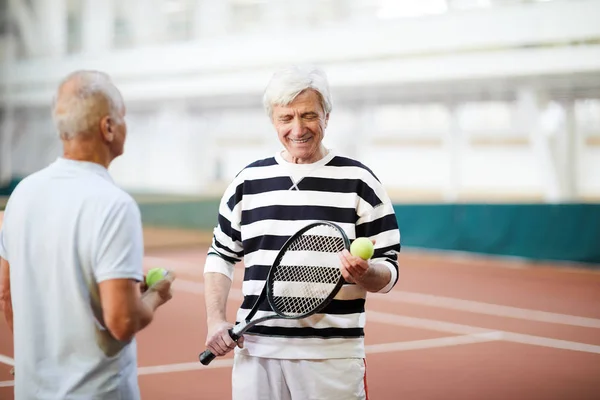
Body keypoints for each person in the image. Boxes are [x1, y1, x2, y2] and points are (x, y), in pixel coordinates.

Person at [203, 65, 401, 400]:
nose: (298, 128)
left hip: (332, 358)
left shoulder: (360, 182)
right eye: (286, 118)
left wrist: (366, 274)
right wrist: (215, 320)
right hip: (256, 353)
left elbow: (389, 270)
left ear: (327, 116)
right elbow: (220, 256)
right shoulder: (247, 182)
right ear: (273, 121)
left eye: (309, 115)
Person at [0, 70, 175, 399]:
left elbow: (7, 295)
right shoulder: (114, 205)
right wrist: (156, 294)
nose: (125, 125)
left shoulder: (22, 194)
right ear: (107, 127)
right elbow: (122, 321)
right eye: (121, 117)